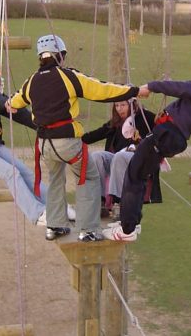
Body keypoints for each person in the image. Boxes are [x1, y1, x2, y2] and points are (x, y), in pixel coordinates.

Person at [10, 34, 146, 242]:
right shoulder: (69, 77)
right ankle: (88, 229)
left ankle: (55, 226)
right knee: (88, 177)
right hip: (67, 142)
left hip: (45, 144)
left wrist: (8, 102)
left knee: (56, 180)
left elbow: (15, 102)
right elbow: (101, 90)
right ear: (61, 55)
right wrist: (134, 91)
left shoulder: (32, 81)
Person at [103, 51, 191, 241]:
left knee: (134, 175)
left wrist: (152, 86)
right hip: (171, 136)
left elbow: (185, 88)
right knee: (137, 174)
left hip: (167, 134)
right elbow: (187, 98)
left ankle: (127, 229)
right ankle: (131, 222)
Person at [0, 58, 76, 225]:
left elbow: (19, 114)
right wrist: (5, 102)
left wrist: (41, 125)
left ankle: (58, 206)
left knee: (24, 171)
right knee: (11, 173)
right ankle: (37, 213)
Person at [82, 100, 155, 219]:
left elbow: (161, 126)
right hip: (117, 161)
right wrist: (75, 140)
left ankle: (119, 203)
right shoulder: (115, 123)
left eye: (123, 105)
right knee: (97, 156)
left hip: (136, 160)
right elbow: (96, 134)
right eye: (117, 105)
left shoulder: (144, 117)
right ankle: (100, 202)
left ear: (132, 105)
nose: (119, 109)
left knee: (119, 157)